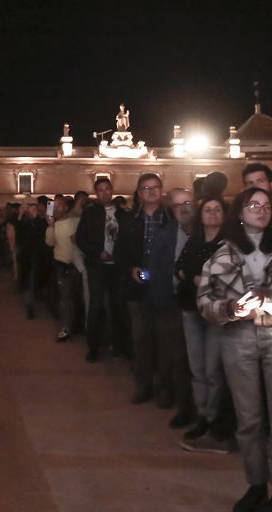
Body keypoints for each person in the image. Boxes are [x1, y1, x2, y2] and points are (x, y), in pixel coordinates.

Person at [197, 186, 272, 512]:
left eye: (266, 205)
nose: (261, 210)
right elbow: (204, 302)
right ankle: (256, 484)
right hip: (237, 336)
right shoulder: (222, 254)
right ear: (239, 213)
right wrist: (231, 307)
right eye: (252, 204)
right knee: (249, 419)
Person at [176, 197, 230, 453]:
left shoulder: (228, 244)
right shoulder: (194, 241)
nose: (211, 214)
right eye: (207, 210)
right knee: (197, 369)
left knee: (213, 371)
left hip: (215, 314)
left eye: (217, 209)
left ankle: (214, 419)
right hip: (191, 308)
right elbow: (179, 269)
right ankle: (203, 416)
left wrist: (197, 277)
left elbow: (223, 280)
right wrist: (195, 277)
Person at [115, 173, 174, 404]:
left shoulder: (170, 219)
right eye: (145, 188)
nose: (151, 192)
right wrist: (130, 268)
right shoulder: (129, 220)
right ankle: (144, 385)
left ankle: (165, 388)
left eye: (155, 187)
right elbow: (120, 252)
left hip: (165, 287)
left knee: (165, 340)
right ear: (139, 193)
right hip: (137, 288)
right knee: (140, 339)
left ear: (162, 191)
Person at [146, 188, 197, 427]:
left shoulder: (206, 233)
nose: (184, 208)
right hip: (173, 303)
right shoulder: (165, 234)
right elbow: (154, 269)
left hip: (201, 306)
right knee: (178, 357)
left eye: (187, 203)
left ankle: (204, 410)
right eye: (178, 205)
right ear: (173, 211)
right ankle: (185, 407)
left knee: (201, 361)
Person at [75, 177, 127, 363]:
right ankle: (93, 347)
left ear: (112, 190)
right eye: (100, 190)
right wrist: (98, 253)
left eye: (107, 189)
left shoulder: (122, 213)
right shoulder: (91, 213)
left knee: (117, 306)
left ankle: (118, 344)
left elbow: (127, 240)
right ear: (96, 193)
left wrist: (118, 255)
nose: (104, 192)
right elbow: (80, 239)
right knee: (95, 306)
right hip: (97, 267)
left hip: (117, 268)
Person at [46, 195, 81, 342]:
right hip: (64, 265)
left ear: (66, 207)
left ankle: (72, 325)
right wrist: (51, 225)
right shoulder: (56, 224)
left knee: (72, 298)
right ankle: (67, 326)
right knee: (66, 298)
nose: (55, 208)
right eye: (54, 205)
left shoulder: (76, 220)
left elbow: (50, 242)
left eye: (58, 205)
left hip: (77, 265)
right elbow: (50, 242)